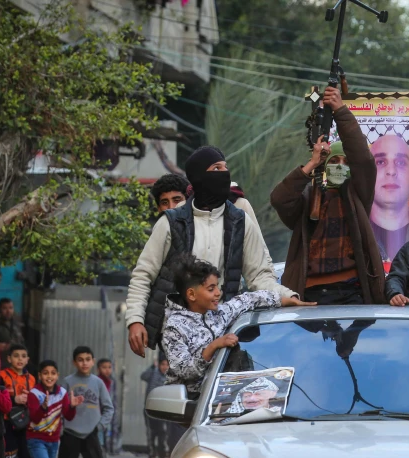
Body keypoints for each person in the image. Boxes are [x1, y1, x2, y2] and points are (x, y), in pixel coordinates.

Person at [126, 145, 296, 358]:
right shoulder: (170, 223)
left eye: (225, 168)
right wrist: (135, 320)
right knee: (183, 389)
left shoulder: (241, 222)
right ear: (199, 177)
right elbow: (143, 275)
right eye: (217, 168)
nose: (224, 174)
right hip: (179, 335)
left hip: (225, 331)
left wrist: (288, 295)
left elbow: (260, 276)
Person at [270, 86, 386, 306]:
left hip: (352, 292)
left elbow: (362, 158)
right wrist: (312, 163)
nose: (340, 166)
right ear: (324, 165)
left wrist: (340, 110)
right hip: (311, 294)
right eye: (334, 161)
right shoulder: (308, 195)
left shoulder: (358, 195)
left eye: (345, 162)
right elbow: (279, 198)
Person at [161, 254, 313, 394]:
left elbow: (248, 300)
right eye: (211, 289)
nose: (217, 293)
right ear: (191, 294)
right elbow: (185, 371)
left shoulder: (219, 313)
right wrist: (214, 346)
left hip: (224, 394)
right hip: (192, 401)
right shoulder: (174, 327)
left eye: (217, 287)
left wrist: (285, 300)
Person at [52, 346, 115, 458]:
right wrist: (62, 428)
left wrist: (100, 426)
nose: (84, 363)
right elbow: (60, 408)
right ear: (74, 362)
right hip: (70, 434)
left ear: (93, 361)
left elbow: (109, 408)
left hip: (91, 434)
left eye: (88, 359)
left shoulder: (98, 383)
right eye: (80, 359)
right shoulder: (67, 382)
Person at [26, 360, 82, 458]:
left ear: (57, 375)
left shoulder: (62, 393)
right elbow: (35, 418)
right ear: (39, 375)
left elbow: (68, 417)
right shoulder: (34, 394)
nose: (49, 376)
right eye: (45, 373)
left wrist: (72, 406)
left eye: (52, 373)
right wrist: (43, 407)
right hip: (36, 440)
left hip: (53, 442)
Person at [369, 133, 409, 259]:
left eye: (401, 163)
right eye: (380, 162)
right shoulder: (352, 232)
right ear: (365, 174)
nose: (391, 171)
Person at [0, 344, 35, 458]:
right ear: (9, 359)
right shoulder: (2, 376)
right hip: (7, 424)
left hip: (24, 425)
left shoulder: (32, 379)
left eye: (23, 356)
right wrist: (15, 400)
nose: (20, 359)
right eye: (16, 356)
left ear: (28, 359)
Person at [140, 354, 172, 458]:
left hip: (163, 410)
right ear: (158, 364)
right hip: (150, 409)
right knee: (151, 433)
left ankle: (163, 455)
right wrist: (152, 367)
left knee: (163, 433)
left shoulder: (170, 377)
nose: (165, 367)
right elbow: (143, 376)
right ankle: (152, 455)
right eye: (163, 364)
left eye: (167, 364)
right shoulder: (153, 373)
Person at [96, 359, 122, 456]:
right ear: (98, 369)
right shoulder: (96, 381)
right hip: (98, 412)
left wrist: (114, 411)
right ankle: (100, 452)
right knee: (100, 433)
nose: (107, 370)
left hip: (108, 411)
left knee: (109, 432)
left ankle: (107, 450)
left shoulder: (112, 381)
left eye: (109, 367)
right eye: (104, 367)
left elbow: (114, 397)